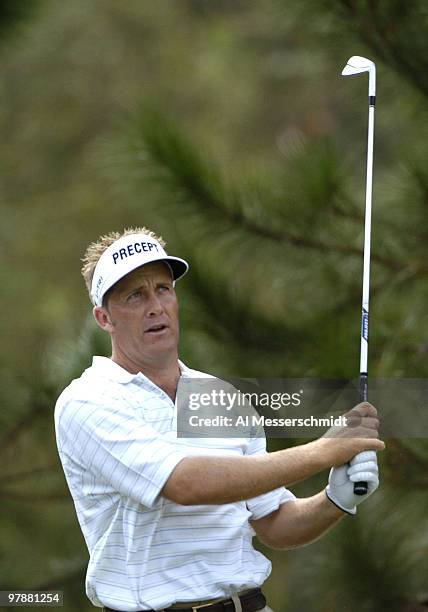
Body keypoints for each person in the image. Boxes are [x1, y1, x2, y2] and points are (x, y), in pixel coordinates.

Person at [54, 227, 384, 612]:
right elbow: (184, 483)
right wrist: (324, 451)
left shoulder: (222, 398)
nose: (155, 306)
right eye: (135, 295)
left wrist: (336, 499)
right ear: (104, 317)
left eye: (163, 288)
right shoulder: (87, 401)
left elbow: (274, 521)